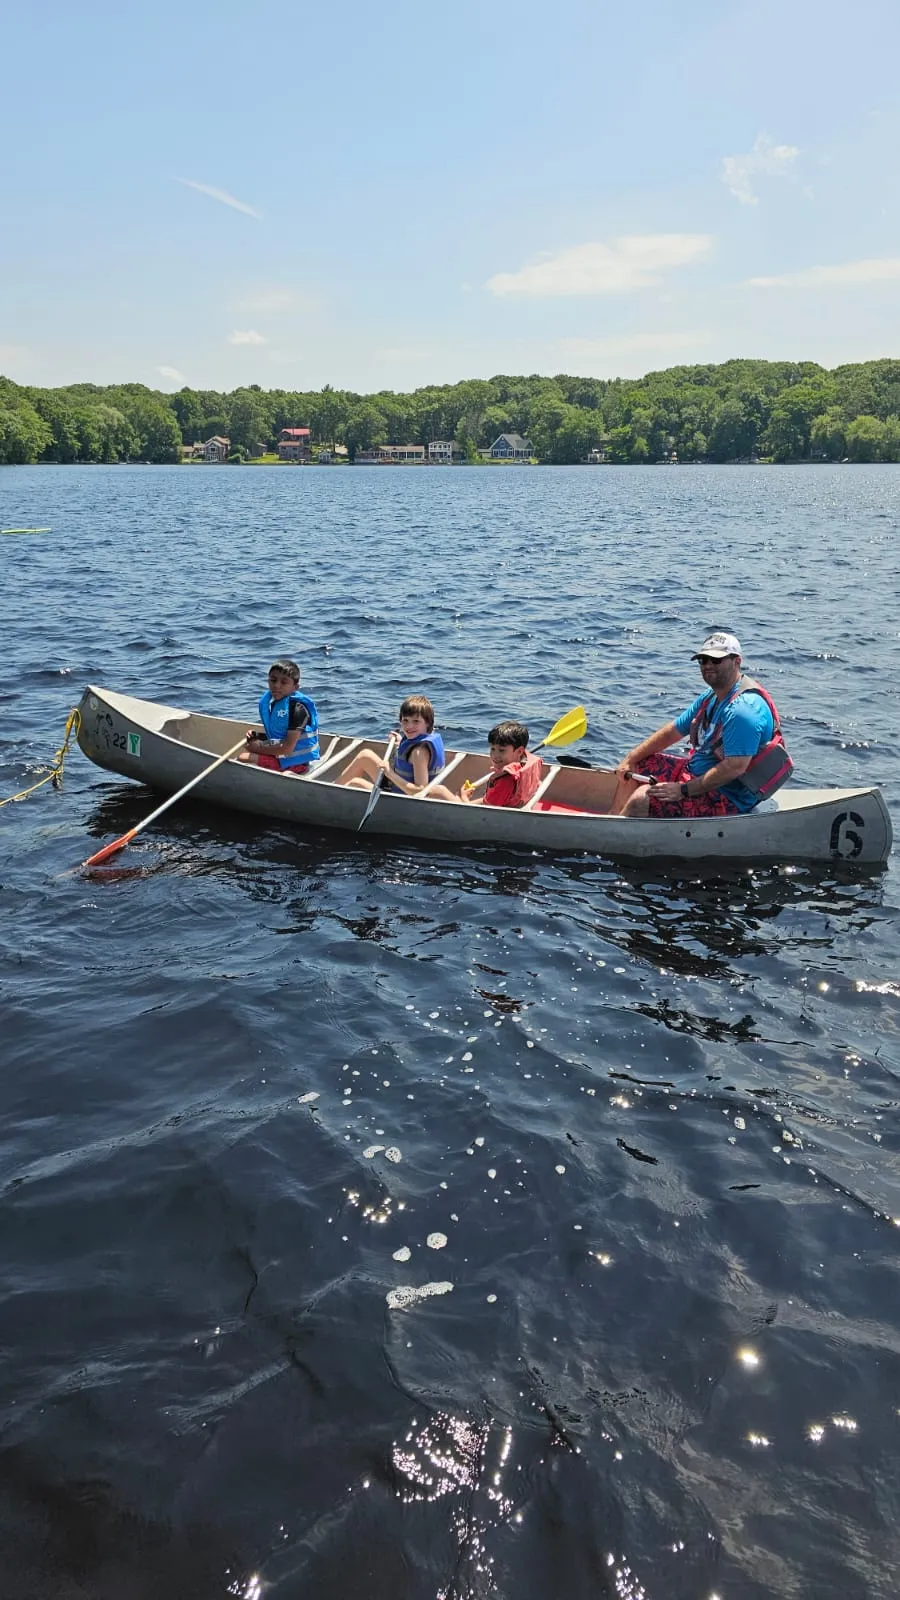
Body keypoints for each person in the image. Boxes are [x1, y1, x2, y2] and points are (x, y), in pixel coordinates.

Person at [612, 631, 792, 819]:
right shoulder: (711, 696)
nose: (708, 666)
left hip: (727, 796)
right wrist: (630, 758)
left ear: (737, 661)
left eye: (716, 660)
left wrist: (682, 790)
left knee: (643, 798)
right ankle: (612, 819)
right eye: (703, 660)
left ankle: (616, 836)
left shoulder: (743, 710)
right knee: (637, 765)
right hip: (695, 775)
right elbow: (673, 731)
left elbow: (735, 767)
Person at [338, 694, 445, 796]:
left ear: (428, 723)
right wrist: (401, 743)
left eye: (416, 721)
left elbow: (420, 791)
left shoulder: (419, 753)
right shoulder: (418, 742)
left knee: (356, 783)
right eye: (405, 720)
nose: (409, 726)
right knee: (365, 755)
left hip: (405, 798)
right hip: (398, 786)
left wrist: (389, 772)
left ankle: (329, 795)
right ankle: (333, 787)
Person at [428, 721, 543, 807]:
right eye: (492, 749)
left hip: (488, 816)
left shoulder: (505, 780)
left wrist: (464, 797)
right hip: (508, 804)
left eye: (501, 750)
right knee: (453, 796)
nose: (495, 755)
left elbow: (482, 812)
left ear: (519, 751)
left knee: (439, 791)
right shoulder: (522, 765)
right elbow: (489, 801)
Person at [239, 659, 320, 774]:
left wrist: (256, 748)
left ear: (295, 687)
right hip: (283, 758)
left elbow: (287, 748)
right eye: (273, 680)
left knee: (244, 757)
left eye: (284, 682)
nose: (276, 685)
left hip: (295, 765)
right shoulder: (277, 704)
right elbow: (279, 737)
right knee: (250, 748)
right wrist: (257, 736)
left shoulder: (297, 709)